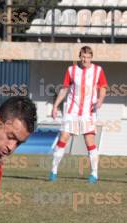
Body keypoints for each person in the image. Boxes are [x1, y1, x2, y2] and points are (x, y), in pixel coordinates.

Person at [50, 46, 107, 183]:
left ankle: (94, 174)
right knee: (63, 138)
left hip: (88, 112)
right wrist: (55, 106)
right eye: (82, 56)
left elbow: (103, 87)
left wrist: (100, 100)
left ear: (91, 57)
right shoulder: (71, 70)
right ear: (79, 56)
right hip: (71, 111)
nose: (85, 59)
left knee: (89, 141)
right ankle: (53, 171)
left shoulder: (98, 70)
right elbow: (64, 89)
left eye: (87, 57)